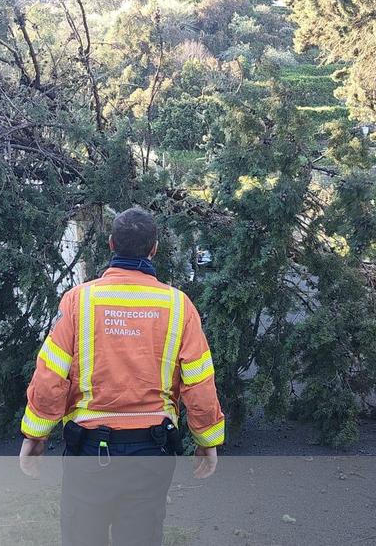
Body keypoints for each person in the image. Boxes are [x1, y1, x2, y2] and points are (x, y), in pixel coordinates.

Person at [18, 206, 225, 545]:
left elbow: (50, 377)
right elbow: (199, 381)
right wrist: (207, 441)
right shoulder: (178, 306)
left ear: (111, 245)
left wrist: (35, 436)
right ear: (154, 249)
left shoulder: (78, 301)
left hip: (88, 452)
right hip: (151, 453)